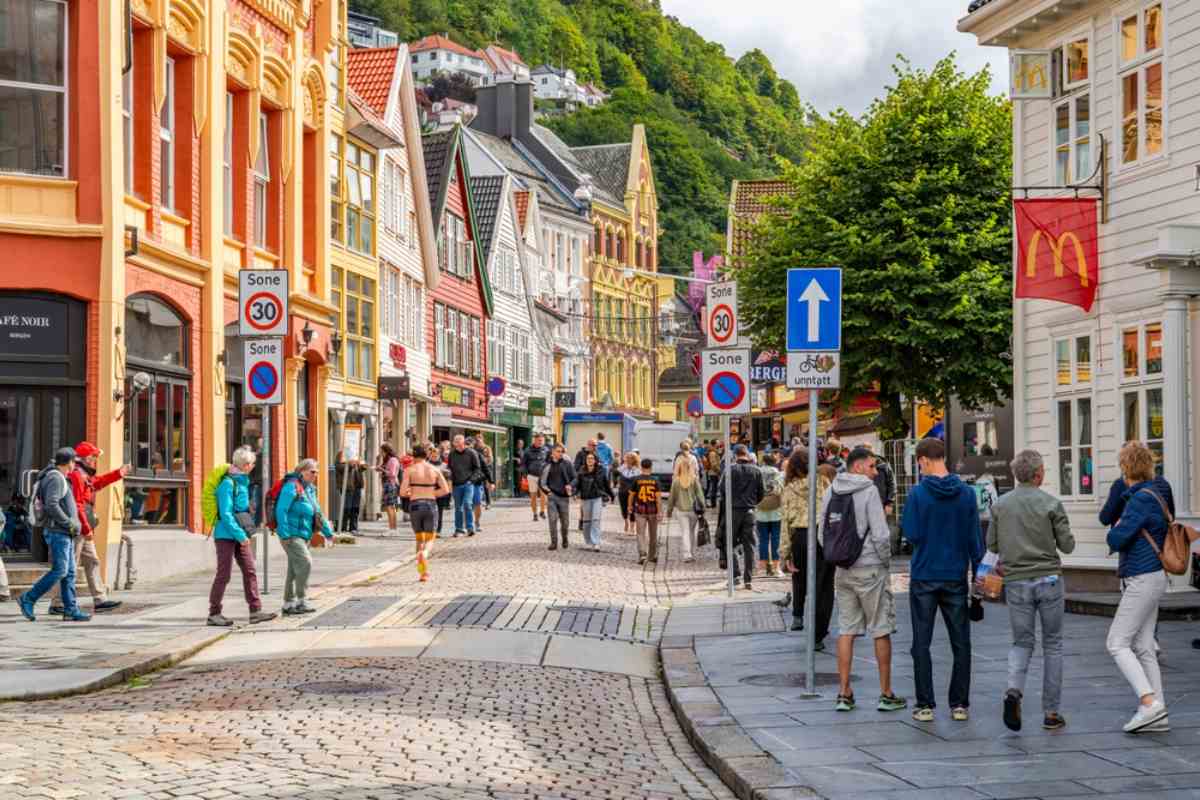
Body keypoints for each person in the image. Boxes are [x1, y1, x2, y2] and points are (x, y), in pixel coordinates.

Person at [989, 449, 1075, 733]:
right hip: (1049, 579)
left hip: (1016, 581)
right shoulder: (1051, 503)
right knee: (1053, 644)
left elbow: (992, 544)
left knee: (1022, 642)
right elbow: (1068, 545)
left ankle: (1014, 691)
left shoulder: (1001, 505)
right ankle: (1052, 712)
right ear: (1038, 474)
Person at [901, 437, 983, 722]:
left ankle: (925, 704)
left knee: (921, 642)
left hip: (925, 574)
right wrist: (978, 581)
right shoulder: (967, 494)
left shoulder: (917, 494)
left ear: (923, 460)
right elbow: (976, 540)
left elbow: (911, 534)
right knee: (961, 642)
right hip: (955, 576)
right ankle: (959, 704)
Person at [820, 446, 905, 713]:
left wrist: (836, 556)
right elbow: (880, 534)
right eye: (871, 466)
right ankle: (886, 693)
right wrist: (885, 561)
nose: (875, 471)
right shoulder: (869, 491)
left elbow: (822, 532)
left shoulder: (831, 489)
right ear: (857, 467)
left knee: (846, 630)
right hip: (870, 568)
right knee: (880, 628)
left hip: (843, 570)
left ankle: (844, 693)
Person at [1102, 441, 1173, 733]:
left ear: (1126, 468)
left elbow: (1116, 538)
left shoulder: (1140, 499)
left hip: (1141, 576)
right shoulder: (1156, 493)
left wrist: (1116, 528)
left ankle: (1148, 703)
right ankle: (1160, 712)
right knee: (1143, 646)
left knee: (1116, 642)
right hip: (1154, 575)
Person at [47, 441, 130, 614]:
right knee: (68, 566)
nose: (95, 460)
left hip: (82, 528)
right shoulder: (77, 475)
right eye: (93, 456)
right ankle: (56, 603)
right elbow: (77, 506)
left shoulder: (83, 474)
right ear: (84, 458)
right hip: (77, 529)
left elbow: (96, 483)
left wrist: (118, 474)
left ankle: (100, 599)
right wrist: (86, 528)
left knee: (92, 561)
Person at [201, 446, 276, 627]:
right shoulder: (228, 484)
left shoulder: (242, 482)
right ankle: (214, 613)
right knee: (224, 574)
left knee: (250, 570)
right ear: (246, 464)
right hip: (225, 535)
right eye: (252, 463)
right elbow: (226, 514)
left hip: (238, 533)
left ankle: (255, 611)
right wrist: (240, 535)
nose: (253, 466)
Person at [18, 448, 91, 622]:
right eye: (74, 461)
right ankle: (28, 598)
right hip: (58, 532)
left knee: (70, 573)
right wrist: (69, 523)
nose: (76, 465)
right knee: (60, 570)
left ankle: (71, 610)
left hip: (64, 532)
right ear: (69, 462)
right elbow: (52, 504)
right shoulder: (55, 477)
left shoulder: (57, 476)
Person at [781, 448, 834, 643]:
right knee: (825, 586)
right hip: (822, 535)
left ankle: (798, 614)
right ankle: (819, 633)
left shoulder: (789, 489)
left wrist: (784, 555)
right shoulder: (823, 483)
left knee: (800, 576)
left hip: (800, 537)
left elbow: (785, 524)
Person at [275, 458, 331, 615]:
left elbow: (317, 513)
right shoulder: (291, 487)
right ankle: (301, 600)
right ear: (302, 471)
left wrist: (328, 533)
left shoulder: (310, 489)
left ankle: (288, 604)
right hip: (291, 535)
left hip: (303, 534)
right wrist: (285, 533)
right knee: (305, 562)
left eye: (317, 472)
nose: (315, 475)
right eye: (312, 472)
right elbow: (281, 510)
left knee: (294, 569)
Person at [400, 445, 451, 581]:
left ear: (413, 456)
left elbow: (402, 492)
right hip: (430, 505)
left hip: (415, 505)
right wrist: (431, 493)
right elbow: (445, 490)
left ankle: (422, 573)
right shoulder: (434, 469)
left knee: (419, 539)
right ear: (426, 456)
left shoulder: (409, 470)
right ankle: (425, 553)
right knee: (429, 539)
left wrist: (413, 492)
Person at [717, 445, 764, 588]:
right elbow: (761, 493)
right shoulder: (756, 470)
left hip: (733, 511)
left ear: (735, 455)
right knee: (749, 545)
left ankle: (735, 576)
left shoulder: (729, 470)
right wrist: (752, 503)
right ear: (747, 455)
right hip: (749, 511)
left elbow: (722, 490)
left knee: (729, 543)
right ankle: (748, 579)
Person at [667, 453, 704, 562]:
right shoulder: (694, 479)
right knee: (691, 532)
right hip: (693, 511)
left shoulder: (676, 481)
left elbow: (671, 497)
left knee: (685, 532)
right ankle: (691, 553)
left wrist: (669, 511)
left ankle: (687, 554)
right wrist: (703, 508)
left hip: (681, 511)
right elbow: (700, 495)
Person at [576, 451, 613, 552]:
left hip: (597, 497)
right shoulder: (582, 470)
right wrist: (574, 493)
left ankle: (596, 542)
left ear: (596, 460)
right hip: (585, 498)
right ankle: (588, 542)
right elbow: (577, 483)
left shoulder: (601, 470)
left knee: (595, 520)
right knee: (586, 521)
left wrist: (612, 495)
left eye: (592, 458)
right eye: (588, 458)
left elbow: (606, 484)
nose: (590, 460)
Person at [541, 445, 576, 550]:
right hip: (552, 497)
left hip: (564, 498)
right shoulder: (547, 465)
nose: (560, 453)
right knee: (552, 520)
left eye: (562, 452)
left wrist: (571, 486)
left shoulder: (567, 464)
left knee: (565, 523)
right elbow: (542, 482)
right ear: (552, 452)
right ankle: (554, 543)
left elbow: (575, 478)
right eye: (558, 451)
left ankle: (565, 538)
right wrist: (548, 492)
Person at [447, 435, 484, 537]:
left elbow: (477, 469)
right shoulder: (452, 454)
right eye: (456, 442)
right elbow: (449, 469)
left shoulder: (471, 453)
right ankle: (459, 529)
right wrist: (449, 480)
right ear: (454, 443)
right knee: (458, 508)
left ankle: (470, 528)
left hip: (468, 484)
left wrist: (471, 481)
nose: (458, 444)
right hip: (456, 485)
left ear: (463, 442)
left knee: (467, 504)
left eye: (460, 442)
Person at [756, 453, 785, 576]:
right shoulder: (778, 473)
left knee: (762, 539)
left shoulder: (757, 472)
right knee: (776, 539)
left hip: (761, 509)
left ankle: (762, 567)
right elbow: (780, 490)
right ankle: (776, 567)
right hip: (776, 510)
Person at [630, 459, 662, 565]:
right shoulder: (655, 480)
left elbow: (631, 495)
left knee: (640, 533)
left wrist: (629, 506)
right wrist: (660, 511)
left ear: (641, 467)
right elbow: (658, 498)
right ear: (651, 467)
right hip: (653, 510)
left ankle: (642, 554)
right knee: (653, 534)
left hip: (640, 510)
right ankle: (652, 556)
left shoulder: (636, 480)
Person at [334, 451, 366, 534]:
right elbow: (339, 467)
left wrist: (362, 465)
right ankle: (343, 527)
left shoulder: (356, 454)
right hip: (347, 486)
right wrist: (350, 464)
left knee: (355, 508)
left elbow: (361, 468)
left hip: (357, 485)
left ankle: (353, 528)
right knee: (346, 508)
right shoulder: (342, 454)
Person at [521, 434, 550, 522]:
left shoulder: (546, 450)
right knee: (533, 496)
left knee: (543, 495)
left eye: (542, 440)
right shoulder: (528, 450)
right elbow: (523, 463)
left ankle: (542, 511)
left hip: (543, 476)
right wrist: (525, 474)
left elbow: (549, 462)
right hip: (532, 476)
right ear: (535, 440)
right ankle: (535, 514)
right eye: (539, 440)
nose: (540, 442)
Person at [377, 443, 401, 533]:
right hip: (390, 484)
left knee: (389, 507)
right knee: (391, 507)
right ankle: (393, 528)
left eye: (382, 451)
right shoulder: (391, 460)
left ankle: (392, 528)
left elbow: (392, 474)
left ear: (386, 451)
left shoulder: (393, 460)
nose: (381, 453)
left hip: (390, 484)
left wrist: (382, 470)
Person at [472, 440, 495, 533]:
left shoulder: (482, 451)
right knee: (467, 504)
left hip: (480, 478)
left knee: (477, 502)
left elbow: (488, 463)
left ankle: (477, 522)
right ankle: (468, 524)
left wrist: (491, 481)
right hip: (466, 483)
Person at [617, 451, 641, 536]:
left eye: (631, 458)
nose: (628, 460)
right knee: (623, 509)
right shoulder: (622, 468)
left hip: (633, 493)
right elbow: (616, 472)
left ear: (634, 460)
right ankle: (626, 521)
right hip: (622, 492)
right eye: (627, 458)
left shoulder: (638, 470)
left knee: (632, 509)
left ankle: (632, 528)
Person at [704, 442, 723, 508]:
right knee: (714, 488)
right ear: (714, 444)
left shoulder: (714, 451)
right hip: (713, 473)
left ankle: (713, 503)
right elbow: (713, 464)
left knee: (714, 488)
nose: (719, 444)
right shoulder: (712, 453)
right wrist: (719, 471)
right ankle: (713, 504)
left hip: (714, 472)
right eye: (717, 442)